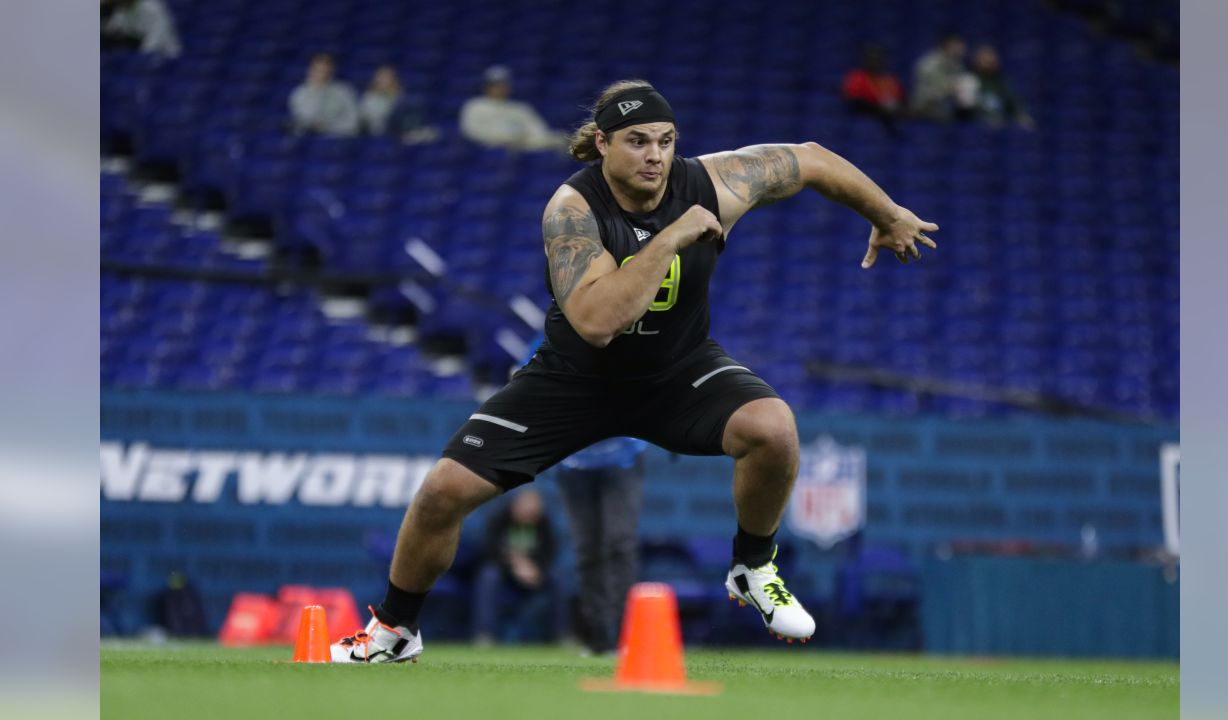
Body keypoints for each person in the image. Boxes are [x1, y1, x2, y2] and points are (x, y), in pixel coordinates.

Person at [330, 79, 938, 663]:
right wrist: (670, 237)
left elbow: (808, 160)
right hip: (575, 380)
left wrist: (885, 213)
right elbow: (597, 321)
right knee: (442, 493)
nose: (656, 156)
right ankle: (393, 631)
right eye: (638, 141)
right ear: (603, 144)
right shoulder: (572, 209)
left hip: (677, 370)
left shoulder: (715, 181)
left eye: (666, 140)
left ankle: (752, 565)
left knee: (773, 428)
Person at [555, 437, 646, 656]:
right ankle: (598, 636)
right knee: (586, 550)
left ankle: (624, 634)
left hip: (624, 457)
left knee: (620, 544)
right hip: (573, 461)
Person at [471, 488, 565, 645]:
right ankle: (484, 634)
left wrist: (536, 569)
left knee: (558, 576)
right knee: (488, 575)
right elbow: (490, 551)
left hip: (534, 573)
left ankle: (561, 634)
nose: (531, 516)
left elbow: (550, 552)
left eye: (534, 512)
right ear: (516, 507)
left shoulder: (543, 522)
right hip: (506, 572)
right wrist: (515, 566)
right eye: (527, 512)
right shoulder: (499, 520)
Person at [459, 65, 564, 151]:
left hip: (522, 153)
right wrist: (505, 138)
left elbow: (539, 133)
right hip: (487, 154)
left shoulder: (520, 108)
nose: (499, 88)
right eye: (494, 85)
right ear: (486, 87)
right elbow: (471, 132)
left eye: (502, 84)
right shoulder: (475, 106)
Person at [359, 64, 440, 143]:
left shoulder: (400, 95)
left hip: (400, 128)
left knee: (414, 103)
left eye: (387, 77)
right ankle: (411, 135)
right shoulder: (369, 98)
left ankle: (413, 134)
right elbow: (370, 120)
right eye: (381, 77)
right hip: (383, 130)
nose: (383, 80)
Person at [288, 53, 359, 137]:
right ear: (310, 70)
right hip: (307, 139)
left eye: (325, 70)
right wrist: (316, 91)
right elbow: (302, 120)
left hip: (338, 139)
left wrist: (328, 128)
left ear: (332, 71)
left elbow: (353, 122)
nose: (322, 74)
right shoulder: (299, 93)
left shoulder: (344, 91)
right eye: (318, 70)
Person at [841, 45, 905, 134]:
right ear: (866, 60)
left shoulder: (890, 79)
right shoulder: (857, 77)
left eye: (878, 58)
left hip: (890, 119)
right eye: (871, 58)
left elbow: (901, 99)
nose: (875, 62)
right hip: (864, 118)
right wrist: (878, 108)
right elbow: (853, 101)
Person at [968, 45, 1035, 129]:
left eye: (992, 59)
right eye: (985, 59)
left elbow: (1014, 102)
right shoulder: (969, 79)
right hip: (979, 125)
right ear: (977, 61)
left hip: (1000, 124)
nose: (989, 62)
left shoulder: (1001, 82)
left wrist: (1022, 116)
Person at [910, 32, 968, 121]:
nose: (960, 50)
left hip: (948, 113)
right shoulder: (928, 65)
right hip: (924, 112)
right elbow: (923, 94)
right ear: (946, 46)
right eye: (956, 46)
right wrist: (948, 90)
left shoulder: (959, 67)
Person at [102, 0, 182, 59]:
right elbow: (114, 28)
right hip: (139, 54)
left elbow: (158, 35)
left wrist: (143, 54)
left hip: (166, 55)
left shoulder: (152, 7)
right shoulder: (122, 10)